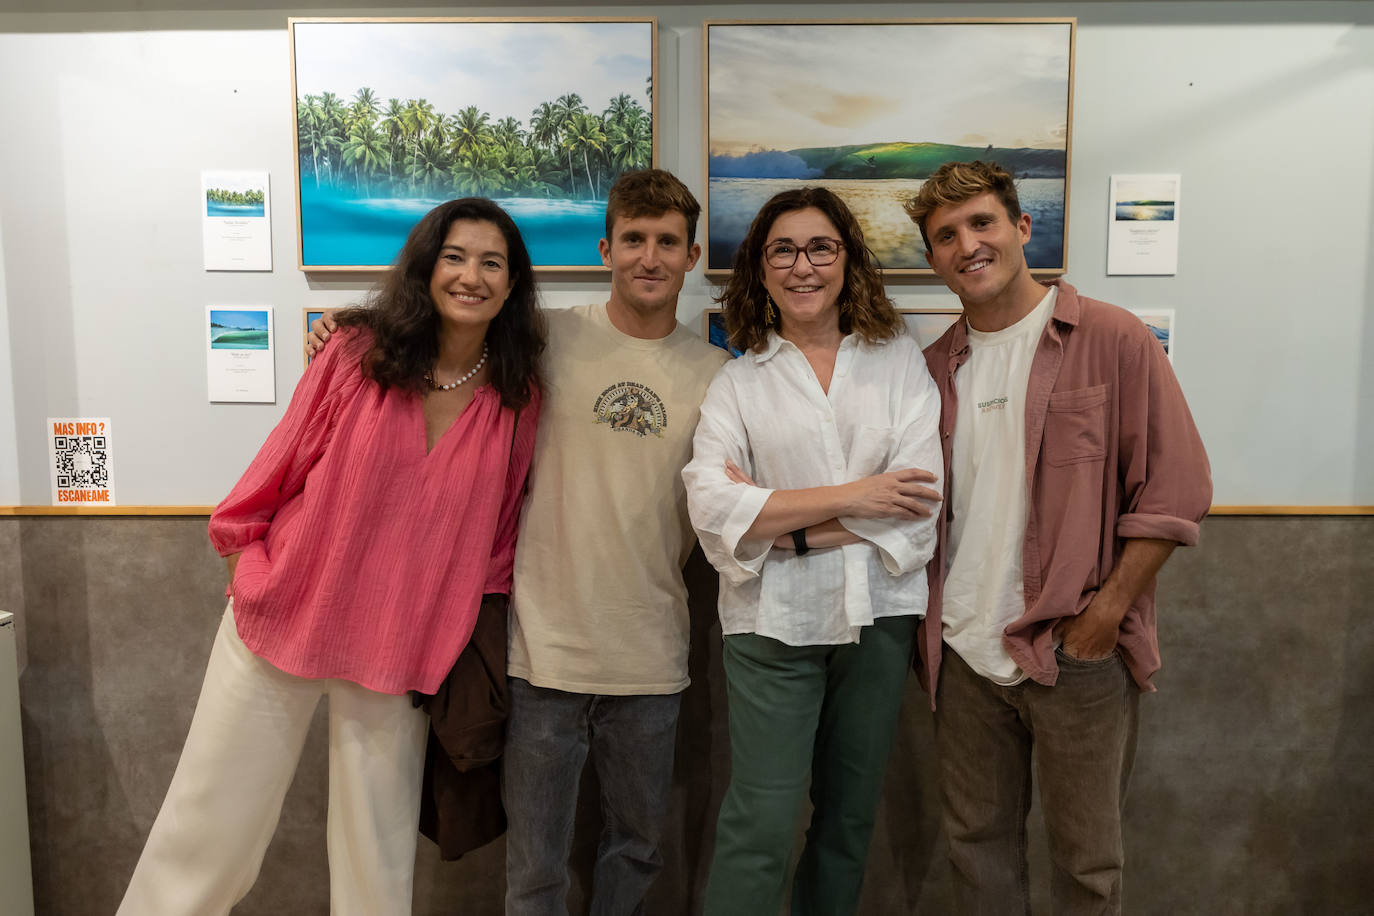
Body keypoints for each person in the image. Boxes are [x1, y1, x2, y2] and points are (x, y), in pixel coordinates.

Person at [309, 169, 728, 915]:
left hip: (652, 655)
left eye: (668, 242)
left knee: (637, 849)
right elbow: (444, 324)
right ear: (606, 248)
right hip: (540, 654)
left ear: (692, 256)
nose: (650, 257)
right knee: (534, 869)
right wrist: (348, 323)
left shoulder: (718, 375)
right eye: (634, 239)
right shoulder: (545, 336)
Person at [119, 197, 545, 916]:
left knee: (375, 864)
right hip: (282, 620)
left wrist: (455, 641)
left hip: (401, 651)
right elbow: (273, 473)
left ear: (511, 286)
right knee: (206, 830)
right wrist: (252, 575)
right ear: (426, 266)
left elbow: (498, 541)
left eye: (491, 262)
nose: (471, 275)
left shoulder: (516, 398)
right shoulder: (355, 355)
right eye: (455, 256)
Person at [903, 160, 1212, 914]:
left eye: (981, 223)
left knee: (1088, 865)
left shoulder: (1111, 337)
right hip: (965, 658)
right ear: (933, 258)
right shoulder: (931, 370)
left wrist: (1106, 614)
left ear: (1022, 228)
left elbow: (1177, 489)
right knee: (976, 857)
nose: (967, 245)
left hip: (1078, 657)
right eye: (946, 235)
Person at [681, 187, 943, 915]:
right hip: (770, 626)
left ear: (847, 259)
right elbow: (711, 507)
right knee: (760, 824)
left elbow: (919, 509)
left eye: (820, 247)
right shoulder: (737, 381)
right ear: (759, 270)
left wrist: (784, 527)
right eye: (783, 250)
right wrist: (857, 496)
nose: (803, 266)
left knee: (848, 821)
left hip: (879, 619)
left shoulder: (898, 363)